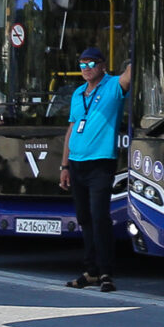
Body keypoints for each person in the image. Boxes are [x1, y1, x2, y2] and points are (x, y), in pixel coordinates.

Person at [58, 47, 131, 291]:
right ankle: (90, 271)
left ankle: (106, 272)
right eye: (82, 64)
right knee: (84, 218)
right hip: (77, 162)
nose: (86, 69)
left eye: (91, 64)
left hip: (101, 162)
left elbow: (130, 74)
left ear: (102, 66)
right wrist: (64, 165)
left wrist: (134, 50)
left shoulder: (112, 86)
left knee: (100, 217)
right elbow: (71, 129)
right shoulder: (78, 93)